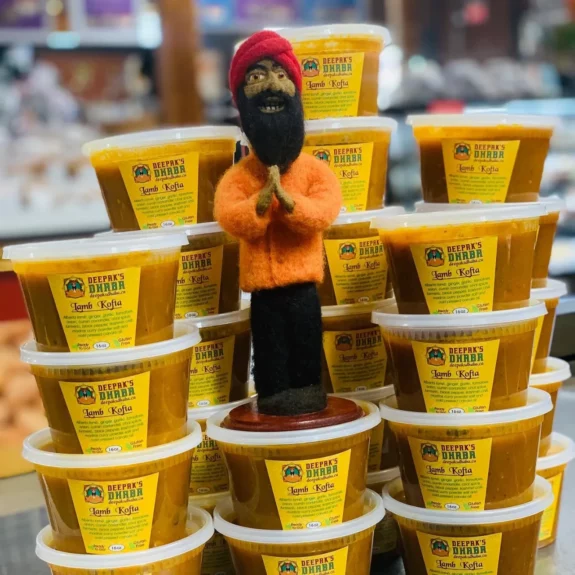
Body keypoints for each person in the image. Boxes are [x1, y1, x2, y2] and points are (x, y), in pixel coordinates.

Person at [215, 30, 342, 416]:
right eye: (256, 77)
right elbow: (227, 213)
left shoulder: (313, 170)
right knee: (268, 344)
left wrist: (290, 204)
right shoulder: (241, 175)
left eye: (280, 74)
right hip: (262, 291)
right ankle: (272, 393)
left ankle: (307, 388)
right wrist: (259, 204)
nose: (271, 84)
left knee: (305, 339)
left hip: (303, 286)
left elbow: (326, 209)